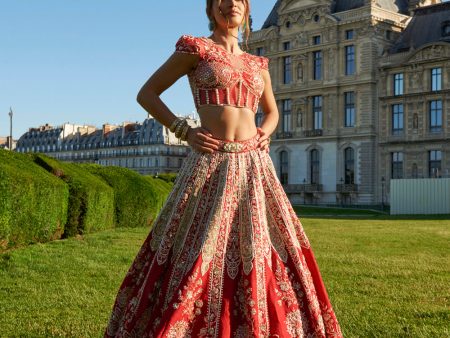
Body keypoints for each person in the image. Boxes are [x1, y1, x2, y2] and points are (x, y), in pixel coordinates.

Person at [104, 0, 343, 337]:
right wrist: (184, 130)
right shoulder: (196, 48)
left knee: (258, 246)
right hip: (211, 162)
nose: (230, 3)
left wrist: (265, 133)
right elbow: (148, 93)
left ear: (246, 9)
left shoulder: (256, 62)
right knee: (198, 245)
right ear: (210, 9)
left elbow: (272, 111)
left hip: (253, 166)